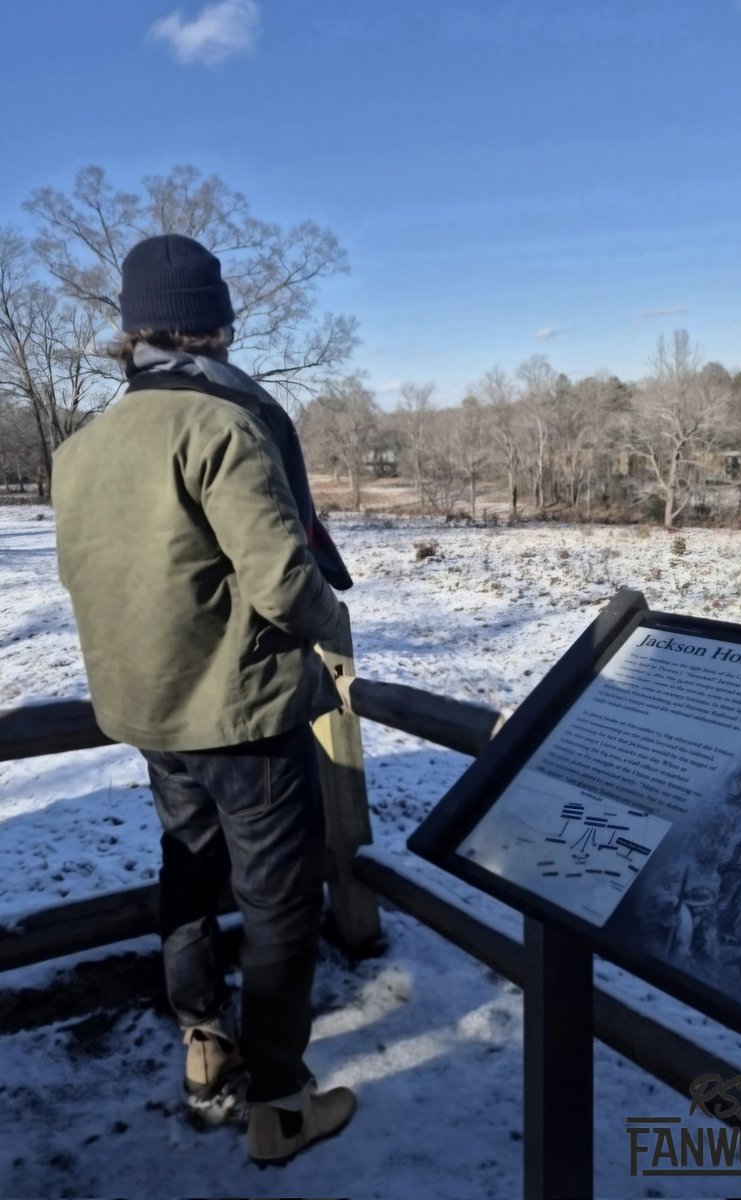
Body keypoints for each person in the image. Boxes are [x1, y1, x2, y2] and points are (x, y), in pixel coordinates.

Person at [52, 234, 356, 1166]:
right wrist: (330, 623)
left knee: (186, 871)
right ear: (216, 324)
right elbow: (279, 576)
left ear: (131, 331)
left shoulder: (82, 446)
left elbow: (88, 576)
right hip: (244, 711)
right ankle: (279, 1102)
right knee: (280, 903)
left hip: (146, 712)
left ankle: (202, 1044)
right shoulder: (224, 424)